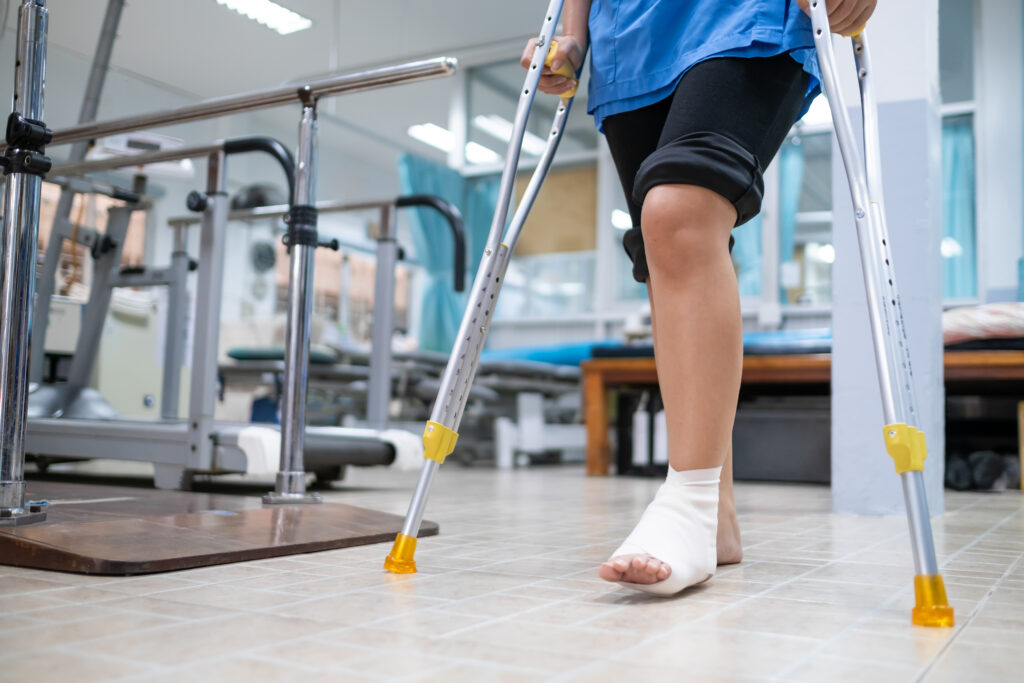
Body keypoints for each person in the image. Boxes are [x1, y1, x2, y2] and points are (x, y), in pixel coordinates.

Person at [522, 0, 876, 595]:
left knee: (678, 211)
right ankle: (716, 517)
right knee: (669, 252)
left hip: (743, 17)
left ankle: (686, 504)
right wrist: (571, 34)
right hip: (629, 40)